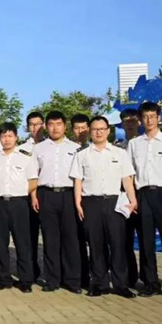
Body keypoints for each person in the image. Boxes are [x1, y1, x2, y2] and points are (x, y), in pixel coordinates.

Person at [70, 116, 138, 299]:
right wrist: (78, 203)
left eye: (102, 129)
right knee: (96, 244)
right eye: (95, 129)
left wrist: (133, 200)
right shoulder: (82, 154)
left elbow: (127, 179)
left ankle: (121, 284)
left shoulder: (119, 153)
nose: (98, 132)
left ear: (108, 131)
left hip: (114, 202)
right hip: (90, 202)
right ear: (90, 132)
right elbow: (78, 180)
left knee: (118, 244)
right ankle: (99, 283)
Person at [128, 102, 162, 301]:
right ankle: (150, 283)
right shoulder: (134, 144)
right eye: (145, 117)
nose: (149, 120)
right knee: (146, 241)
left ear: (159, 118)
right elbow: (129, 173)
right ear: (140, 120)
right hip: (143, 194)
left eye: (153, 116)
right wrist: (133, 199)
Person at [30, 111, 81, 294]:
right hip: (46, 195)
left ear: (65, 126)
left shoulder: (76, 148)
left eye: (58, 124)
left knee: (70, 239)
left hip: (68, 195)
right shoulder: (39, 149)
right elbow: (33, 174)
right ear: (46, 126)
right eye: (51, 124)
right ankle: (52, 279)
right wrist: (34, 196)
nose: (55, 128)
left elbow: (79, 176)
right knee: (50, 239)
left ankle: (72, 280)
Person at [0, 122, 38, 293]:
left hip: (19, 203)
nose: (7, 139)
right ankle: (3, 279)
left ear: (16, 137)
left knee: (22, 243)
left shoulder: (26, 157)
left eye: (10, 136)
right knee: (0, 242)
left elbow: (33, 181)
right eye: (3, 136)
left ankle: (25, 280)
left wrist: (19, 192)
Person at [116, 108, 145, 290]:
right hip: (124, 198)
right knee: (125, 240)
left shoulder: (145, 143)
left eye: (133, 120)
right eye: (126, 121)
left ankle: (149, 278)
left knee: (145, 239)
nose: (130, 124)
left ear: (139, 122)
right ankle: (130, 276)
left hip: (143, 195)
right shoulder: (117, 147)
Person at [21, 111, 45, 284]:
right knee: (29, 236)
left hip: (49, 194)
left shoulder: (51, 145)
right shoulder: (22, 149)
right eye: (32, 125)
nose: (35, 127)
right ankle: (31, 272)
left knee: (52, 236)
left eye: (38, 124)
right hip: (29, 195)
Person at [70, 112, 91, 288]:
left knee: (94, 239)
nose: (81, 131)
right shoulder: (68, 148)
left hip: (91, 199)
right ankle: (80, 276)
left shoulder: (94, 148)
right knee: (76, 239)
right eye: (77, 128)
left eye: (84, 128)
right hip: (71, 198)